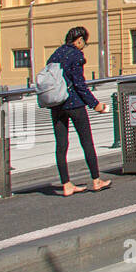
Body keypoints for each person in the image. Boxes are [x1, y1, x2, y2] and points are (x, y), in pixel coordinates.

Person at [47, 26, 111, 196]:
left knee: (61, 145)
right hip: (74, 103)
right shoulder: (76, 55)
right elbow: (79, 85)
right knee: (86, 141)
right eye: (84, 42)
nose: (83, 46)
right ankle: (96, 180)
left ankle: (66, 184)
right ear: (79, 40)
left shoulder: (56, 54)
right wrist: (95, 104)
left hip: (56, 104)